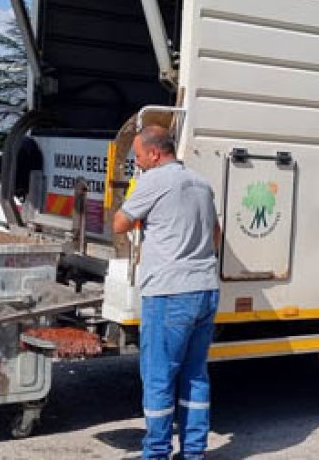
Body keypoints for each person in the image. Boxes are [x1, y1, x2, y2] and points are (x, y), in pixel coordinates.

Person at [112, 125, 221, 460]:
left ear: (155, 153)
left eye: (140, 156)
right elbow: (215, 234)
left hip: (169, 293)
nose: (138, 163)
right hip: (204, 289)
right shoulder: (201, 183)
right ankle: (194, 452)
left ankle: (156, 453)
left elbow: (119, 223)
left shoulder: (154, 181)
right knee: (195, 376)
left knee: (159, 377)